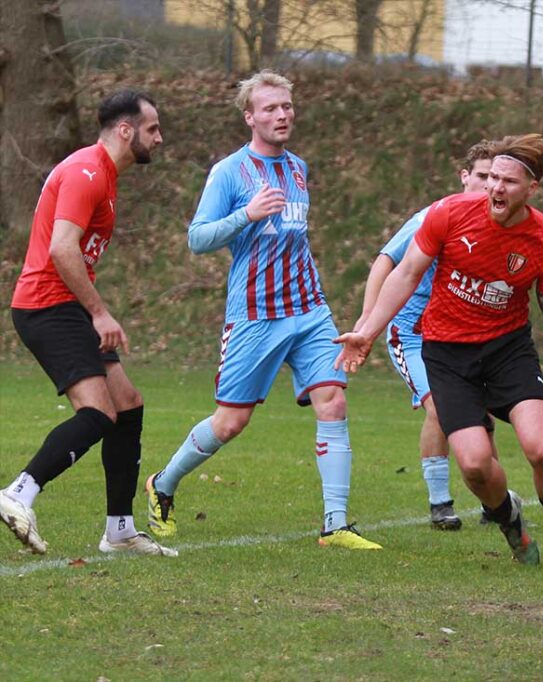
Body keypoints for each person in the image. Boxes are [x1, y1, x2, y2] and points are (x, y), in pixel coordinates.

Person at [337, 133, 543, 565]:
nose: (495, 187)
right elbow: (405, 273)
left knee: (542, 451)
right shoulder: (448, 213)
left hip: (507, 352)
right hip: (447, 354)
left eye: (508, 181)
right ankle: (510, 519)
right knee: (474, 465)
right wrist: (369, 329)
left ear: (531, 189)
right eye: (492, 177)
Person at [143, 70, 380, 550]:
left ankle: (335, 525)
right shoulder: (229, 172)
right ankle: (162, 484)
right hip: (254, 314)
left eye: (287, 106)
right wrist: (246, 215)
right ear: (250, 117)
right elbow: (197, 238)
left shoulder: (298, 168)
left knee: (333, 400)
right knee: (231, 422)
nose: (282, 114)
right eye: (270, 108)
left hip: (310, 311)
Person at [1, 90, 176, 557]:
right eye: (152, 129)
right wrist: (99, 313)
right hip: (47, 305)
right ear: (126, 130)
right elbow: (62, 249)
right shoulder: (86, 172)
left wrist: (93, 310)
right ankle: (19, 493)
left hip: (65, 305)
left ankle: (119, 531)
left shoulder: (103, 174)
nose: (160, 138)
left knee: (128, 404)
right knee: (99, 414)